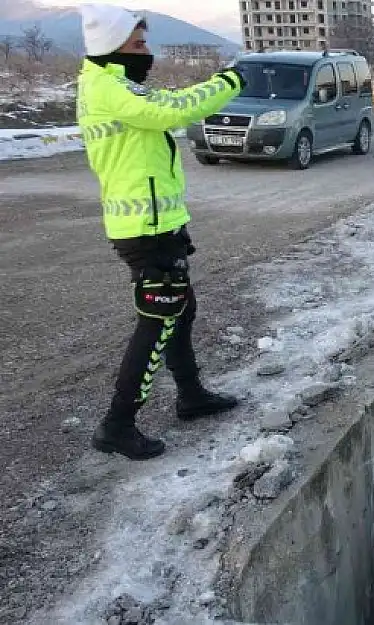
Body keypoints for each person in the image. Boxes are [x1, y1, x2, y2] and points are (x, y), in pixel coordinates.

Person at [78, 3, 246, 460]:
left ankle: (190, 396)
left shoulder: (116, 85)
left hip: (160, 224)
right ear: (111, 45)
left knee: (181, 311)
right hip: (144, 230)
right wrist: (230, 80)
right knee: (157, 322)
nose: (145, 50)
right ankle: (117, 424)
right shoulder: (107, 89)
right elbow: (174, 110)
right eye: (138, 43)